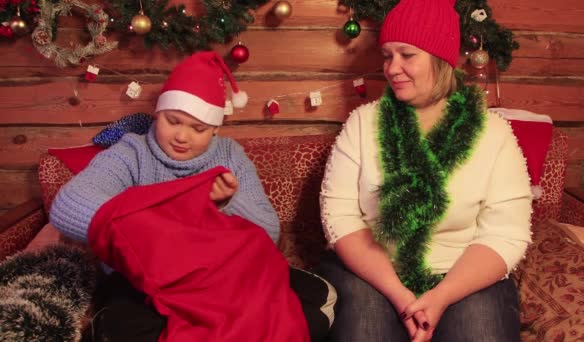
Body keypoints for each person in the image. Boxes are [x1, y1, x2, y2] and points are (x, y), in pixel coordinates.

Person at [50, 51, 335, 342]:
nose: (182, 137)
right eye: (172, 121)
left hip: (217, 281)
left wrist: (226, 202)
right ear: (158, 114)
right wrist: (160, 228)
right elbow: (67, 205)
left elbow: (267, 230)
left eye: (198, 128)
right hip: (141, 283)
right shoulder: (132, 152)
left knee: (299, 315)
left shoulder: (229, 155)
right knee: (120, 329)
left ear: (214, 128)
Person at [314, 0, 532, 341]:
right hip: (373, 274)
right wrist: (401, 296)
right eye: (387, 56)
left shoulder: (494, 134)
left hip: (463, 276)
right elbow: (339, 216)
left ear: (441, 58)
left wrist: (441, 296)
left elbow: (506, 233)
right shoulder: (362, 123)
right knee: (364, 330)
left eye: (407, 55)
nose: (391, 68)